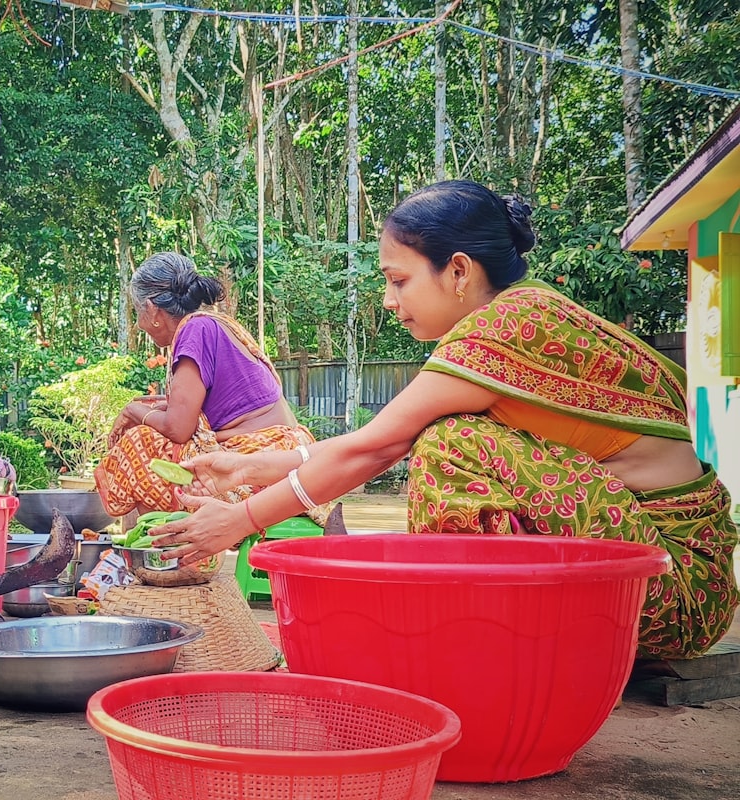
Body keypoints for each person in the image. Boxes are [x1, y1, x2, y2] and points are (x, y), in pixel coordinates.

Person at [150, 180, 739, 660]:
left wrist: (241, 520)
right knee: (443, 438)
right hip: (679, 571)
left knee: (450, 447)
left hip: (675, 588)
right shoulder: (525, 310)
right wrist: (251, 468)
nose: (390, 300)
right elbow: (376, 441)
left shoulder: (501, 330)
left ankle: (484, 644)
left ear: (459, 272)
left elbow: (377, 450)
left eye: (399, 280)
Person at [93, 252, 329, 525]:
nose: (138, 324)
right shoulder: (211, 323)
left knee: (139, 443)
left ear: (152, 309)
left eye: (137, 313)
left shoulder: (195, 330)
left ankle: (164, 544)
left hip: (263, 458)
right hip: (286, 453)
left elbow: (178, 429)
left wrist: (133, 411)